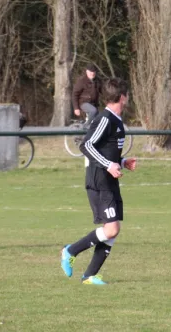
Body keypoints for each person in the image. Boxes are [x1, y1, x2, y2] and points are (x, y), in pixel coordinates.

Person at [61, 77, 136, 285]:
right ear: (122, 97)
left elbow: (105, 149)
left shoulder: (116, 120)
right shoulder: (105, 118)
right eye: (127, 95)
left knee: (112, 229)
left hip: (108, 179)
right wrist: (109, 165)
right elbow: (86, 145)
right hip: (99, 179)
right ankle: (70, 251)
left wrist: (121, 161)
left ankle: (90, 275)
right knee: (111, 229)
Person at [72, 64, 102, 128]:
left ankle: (85, 135)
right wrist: (76, 108)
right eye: (91, 72)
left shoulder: (98, 81)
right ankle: (86, 127)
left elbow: (103, 92)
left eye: (94, 72)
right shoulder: (81, 81)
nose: (92, 73)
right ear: (87, 72)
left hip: (94, 104)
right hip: (83, 103)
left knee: (99, 120)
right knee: (93, 111)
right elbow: (75, 94)